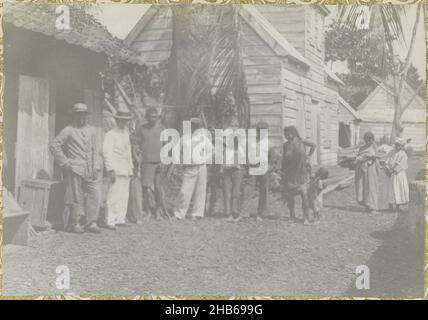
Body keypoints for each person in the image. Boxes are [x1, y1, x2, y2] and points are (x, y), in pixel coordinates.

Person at [50, 103, 102, 234]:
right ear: (74, 115)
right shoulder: (68, 130)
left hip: (90, 169)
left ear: (86, 116)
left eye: (83, 114)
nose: (81, 117)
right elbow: (54, 145)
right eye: (78, 115)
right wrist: (65, 162)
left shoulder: (92, 130)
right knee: (76, 197)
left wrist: (96, 166)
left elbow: (96, 150)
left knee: (95, 194)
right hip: (75, 168)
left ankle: (91, 222)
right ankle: (76, 223)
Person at [174, 117, 213, 220]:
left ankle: (196, 214)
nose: (195, 128)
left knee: (200, 191)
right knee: (184, 191)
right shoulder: (184, 138)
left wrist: (206, 160)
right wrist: (179, 163)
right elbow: (176, 150)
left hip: (201, 166)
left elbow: (211, 151)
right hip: (189, 167)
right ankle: (179, 213)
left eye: (197, 127)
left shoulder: (203, 138)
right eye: (193, 126)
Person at [131, 107, 165, 219]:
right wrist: (137, 156)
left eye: (155, 117)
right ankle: (147, 211)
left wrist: (164, 160)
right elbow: (134, 142)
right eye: (151, 117)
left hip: (159, 162)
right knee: (146, 188)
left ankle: (158, 210)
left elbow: (167, 146)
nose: (153, 119)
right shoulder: (142, 128)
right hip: (146, 162)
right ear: (147, 117)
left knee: (158, 187)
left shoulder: (162, 129)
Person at [103, 110, 134, 229]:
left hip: (125, 168)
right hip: (116, 168)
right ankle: (110, 220)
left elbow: (128, 152)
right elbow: (107, 153)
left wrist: (131, 167)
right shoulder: (110, 135)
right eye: (121, 120)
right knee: (113, 194)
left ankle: (120, 218)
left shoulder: (125, 133)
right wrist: (111, 169)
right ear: (116, 120)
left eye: (125, 120)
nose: (123, 122)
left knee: (123, 195)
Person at [281, 126, 316, 225]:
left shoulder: (302, 142)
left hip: (301, 173)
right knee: (290, 196)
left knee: (304, 195)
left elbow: (314, 145)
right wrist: (282, 172)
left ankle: (306, 217)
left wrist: (308, 156)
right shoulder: (285, 145)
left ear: (293, 133)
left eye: (287, 134)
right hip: (290, 174)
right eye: (285, 134)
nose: (286, 136)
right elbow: (284, 160)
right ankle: (292, 215)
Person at [221, 134, 245, 222]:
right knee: (227, 191)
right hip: (227, 172)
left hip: (236, 171)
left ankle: (235, 211)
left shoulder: (240, 149)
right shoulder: (226, 150)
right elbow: (223, 162)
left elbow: (243, 160)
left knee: (235, 191)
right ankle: (228, 213)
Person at [355, 132, 379, 213]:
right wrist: (365, 158)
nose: (369, 142)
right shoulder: (362, 148)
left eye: (371, 140)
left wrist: (373, 159)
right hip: (362, 169)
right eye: (367, 140)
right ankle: (366, 205)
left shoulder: (374, 148)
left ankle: (373, 207)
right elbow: (357, 158)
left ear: (373, 140)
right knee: (364, 186)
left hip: (370, 169)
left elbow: (376, 159)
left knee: (371, 187)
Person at [385, 138, 409, 211]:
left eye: (400, 146)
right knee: (391, 189)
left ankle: (398, 205)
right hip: (391, 174)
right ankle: (390, 205)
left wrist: (394, 170)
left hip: (399, 174)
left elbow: (402, 165)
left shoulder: (403, 154)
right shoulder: (391, 152)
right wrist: (387, 169)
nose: (398, 147)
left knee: (398, 188)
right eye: (396, 145)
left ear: (402, 146)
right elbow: (387, 160)